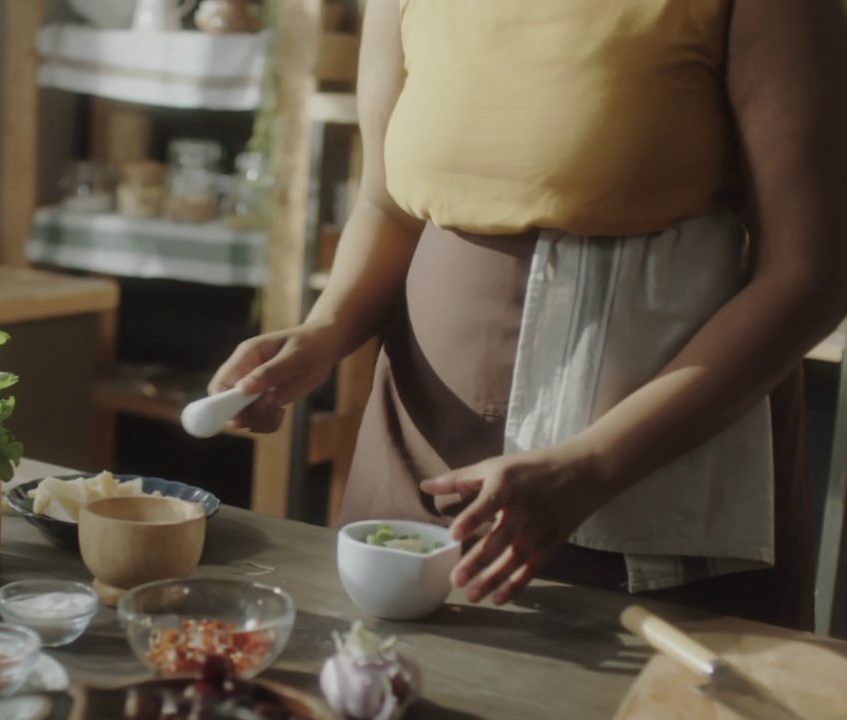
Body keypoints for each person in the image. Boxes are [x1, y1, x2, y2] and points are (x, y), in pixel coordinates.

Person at [208, 0, 847, 631]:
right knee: (392, 683)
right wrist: (324, 332)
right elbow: (389, 203)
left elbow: (812, 275)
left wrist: (591, 468)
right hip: (417, 441)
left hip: (646, 461)